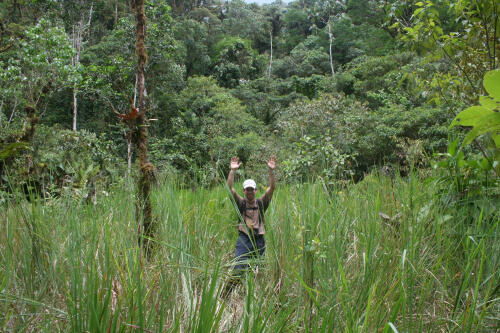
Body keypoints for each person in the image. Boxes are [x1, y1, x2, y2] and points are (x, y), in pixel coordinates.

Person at [222, 156, 277, 296]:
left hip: (259, 239)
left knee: (259, 271)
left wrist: (271, 171)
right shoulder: (240, 202)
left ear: (256, 190)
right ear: (244, 190)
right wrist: (232, 171)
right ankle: (225, 296)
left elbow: (272, 188)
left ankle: (254, 297)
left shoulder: (261, 202)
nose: (250, 192)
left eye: (252, 189)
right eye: (247, 190)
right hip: (244, 239)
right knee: (238, 268)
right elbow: (229, 189)